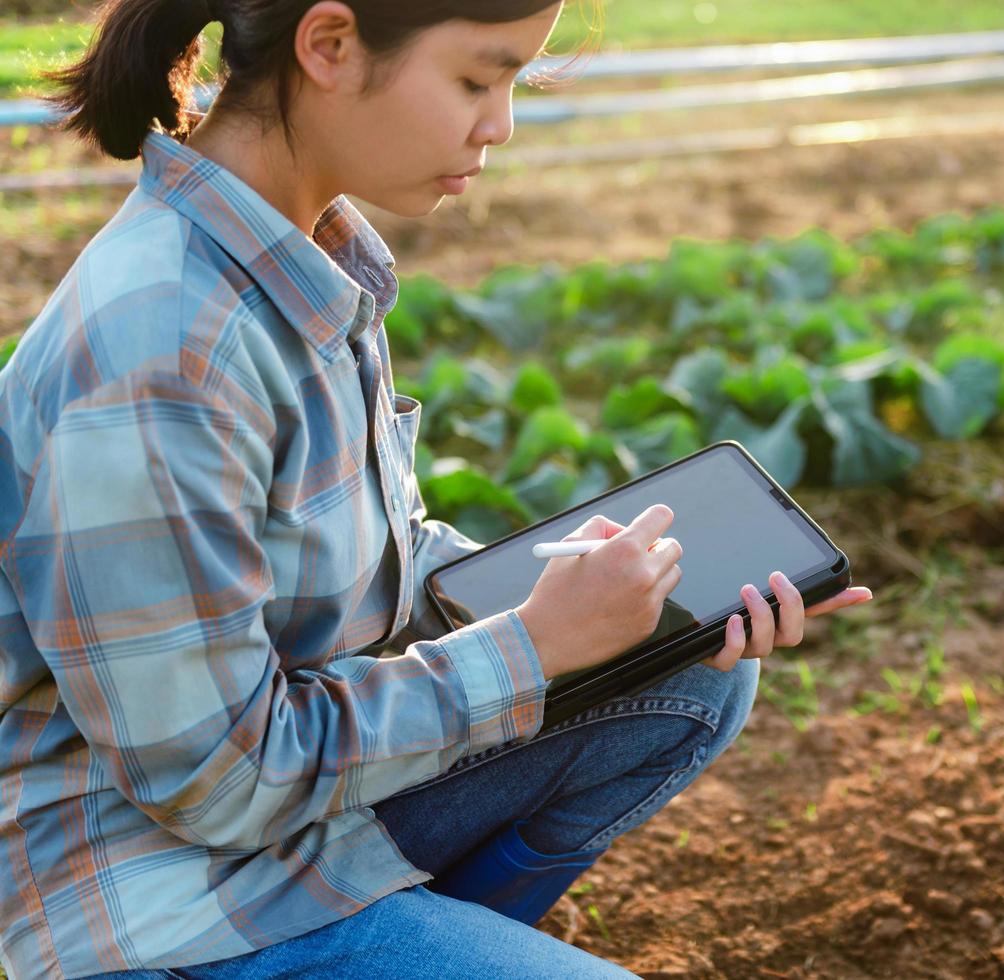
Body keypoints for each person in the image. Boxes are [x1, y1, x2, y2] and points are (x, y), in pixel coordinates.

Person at [0, 0, 874, 976]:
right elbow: (215, 780)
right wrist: (533, 646)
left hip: (287, 827)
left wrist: (592, 587)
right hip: (156, 894)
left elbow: (388, 558)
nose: (498, 124)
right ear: (329, 45)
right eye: (477, 78)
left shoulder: (308, 257)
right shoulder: (162, 347)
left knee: (679, 661)